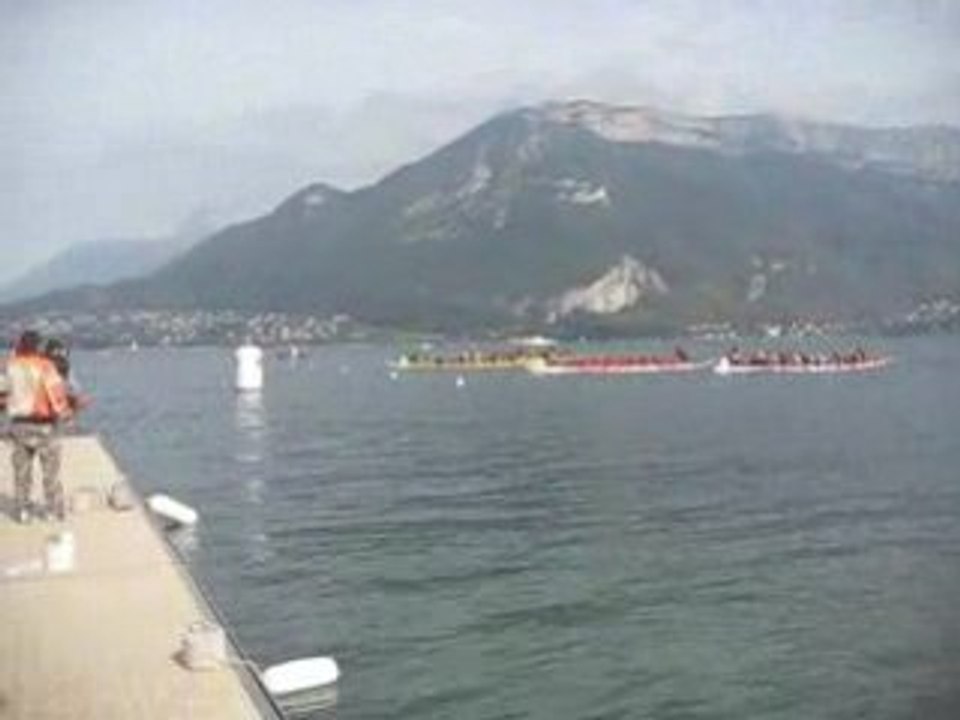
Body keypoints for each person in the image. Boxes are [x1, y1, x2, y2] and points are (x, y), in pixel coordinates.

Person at [5, 330, 73, 523]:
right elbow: (57, 396)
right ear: (38, 347)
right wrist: (65, 414)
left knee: (22, 472)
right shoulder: (45, 367)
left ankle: (23, 511)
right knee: (50, 472)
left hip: (19, 425)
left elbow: (2, 392)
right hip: (44, 426)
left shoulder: (10, 367)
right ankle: (53, 510)